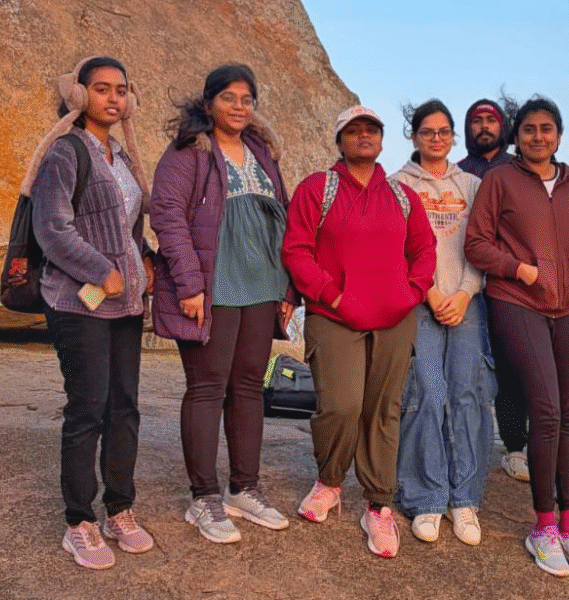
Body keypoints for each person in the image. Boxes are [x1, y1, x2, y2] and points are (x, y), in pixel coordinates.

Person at [282, 105, 437, 558]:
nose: (364, 136)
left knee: (383, 410)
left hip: (394, 318)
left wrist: (412, 292)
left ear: (383, 140)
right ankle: (330, 481)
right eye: (354, 130)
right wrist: (331, 294)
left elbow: (423, 248)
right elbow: (297, 249)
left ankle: (378, 504)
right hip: (334, 315)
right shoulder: (319, 188)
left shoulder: (402, 195)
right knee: (341, 405)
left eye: (372, 129)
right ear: (340, 140)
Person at [150, 63, 295, 544]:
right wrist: (190, 284)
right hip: (212, 287)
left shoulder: (261, 152)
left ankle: (244, 488)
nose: (239, 106)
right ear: (208, 101)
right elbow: (168, 216)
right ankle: (204, 496)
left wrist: (288, 291)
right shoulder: (187, 152)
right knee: (208, 386)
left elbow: (285, 219)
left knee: (250, 385)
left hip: (261, 286)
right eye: (229, 97)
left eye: (247, 98)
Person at [465, 96, 569, 580]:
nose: (538, 137)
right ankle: (543, 525)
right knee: (545, 410)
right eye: (528, 129)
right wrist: (519, 270)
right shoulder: (499, 180)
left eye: (546, 129)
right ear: (515, 136)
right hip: (518, 301)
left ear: (559, 136)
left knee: (568, 412)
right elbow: (476, 244)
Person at [27, 56, 154, 570]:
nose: (113, 98)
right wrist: (100, 269)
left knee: (124, 406)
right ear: (79, 95)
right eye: (101, 89)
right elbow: (52, 228)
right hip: (78, 301)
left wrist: (141, 263)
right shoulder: (65, 151)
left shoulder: (121, 154)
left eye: (120, 90)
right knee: (87, 409)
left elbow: (128, 226)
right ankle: (78, 520)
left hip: (124, 303)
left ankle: (118, 509)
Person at [388, 99, 493, 546]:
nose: (436, 138)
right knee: (426, 394)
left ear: (453, 136)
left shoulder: (472, 184)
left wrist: (465, 292)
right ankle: (426, 497)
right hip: (420, 302)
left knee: (467, 395)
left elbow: (482, 244)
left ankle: (464, 498)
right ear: (414, 136)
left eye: (444, 131)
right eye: (427, 131)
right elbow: (395, 247)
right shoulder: (397, 184)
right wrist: (429, 292)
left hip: (467, 302)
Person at [456, 97, 528, 483]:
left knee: (513, 363)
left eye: (491, 120)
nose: (484, 126)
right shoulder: (458, 171)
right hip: (466, 279)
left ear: (503, 126)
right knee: (470, 364)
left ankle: (515, 447)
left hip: (511, 279)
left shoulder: (518, 168)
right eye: (477, 121)